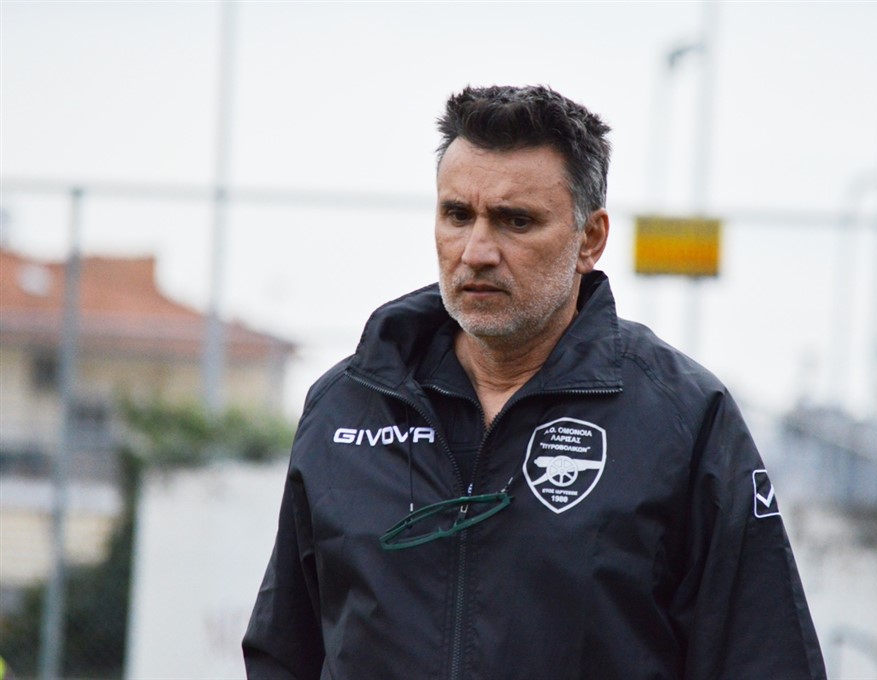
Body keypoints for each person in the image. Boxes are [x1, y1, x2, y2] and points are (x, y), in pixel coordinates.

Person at [243, 84, 826, 679]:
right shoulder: (348, 405)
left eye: (515, 221)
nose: (476, 251)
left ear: (589, 240)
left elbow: (766, 660)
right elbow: (283, 653)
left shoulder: (683, 418)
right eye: (457, 215)